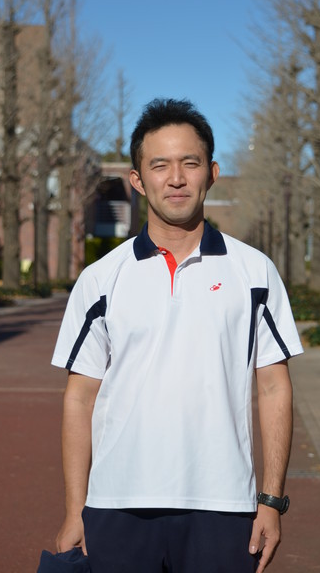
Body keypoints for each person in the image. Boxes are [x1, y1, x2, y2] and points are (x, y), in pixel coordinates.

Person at [51, 98, 303, 573]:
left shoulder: (255, 272)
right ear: (137, 180)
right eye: (160, 165)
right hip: (116, 503)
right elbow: (79, 397)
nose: (176, 178)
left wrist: (271, 501)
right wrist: (73, 508)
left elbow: (273, 387)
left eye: (190, 163)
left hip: (224, 504)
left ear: (212, 172)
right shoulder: (100, 278)